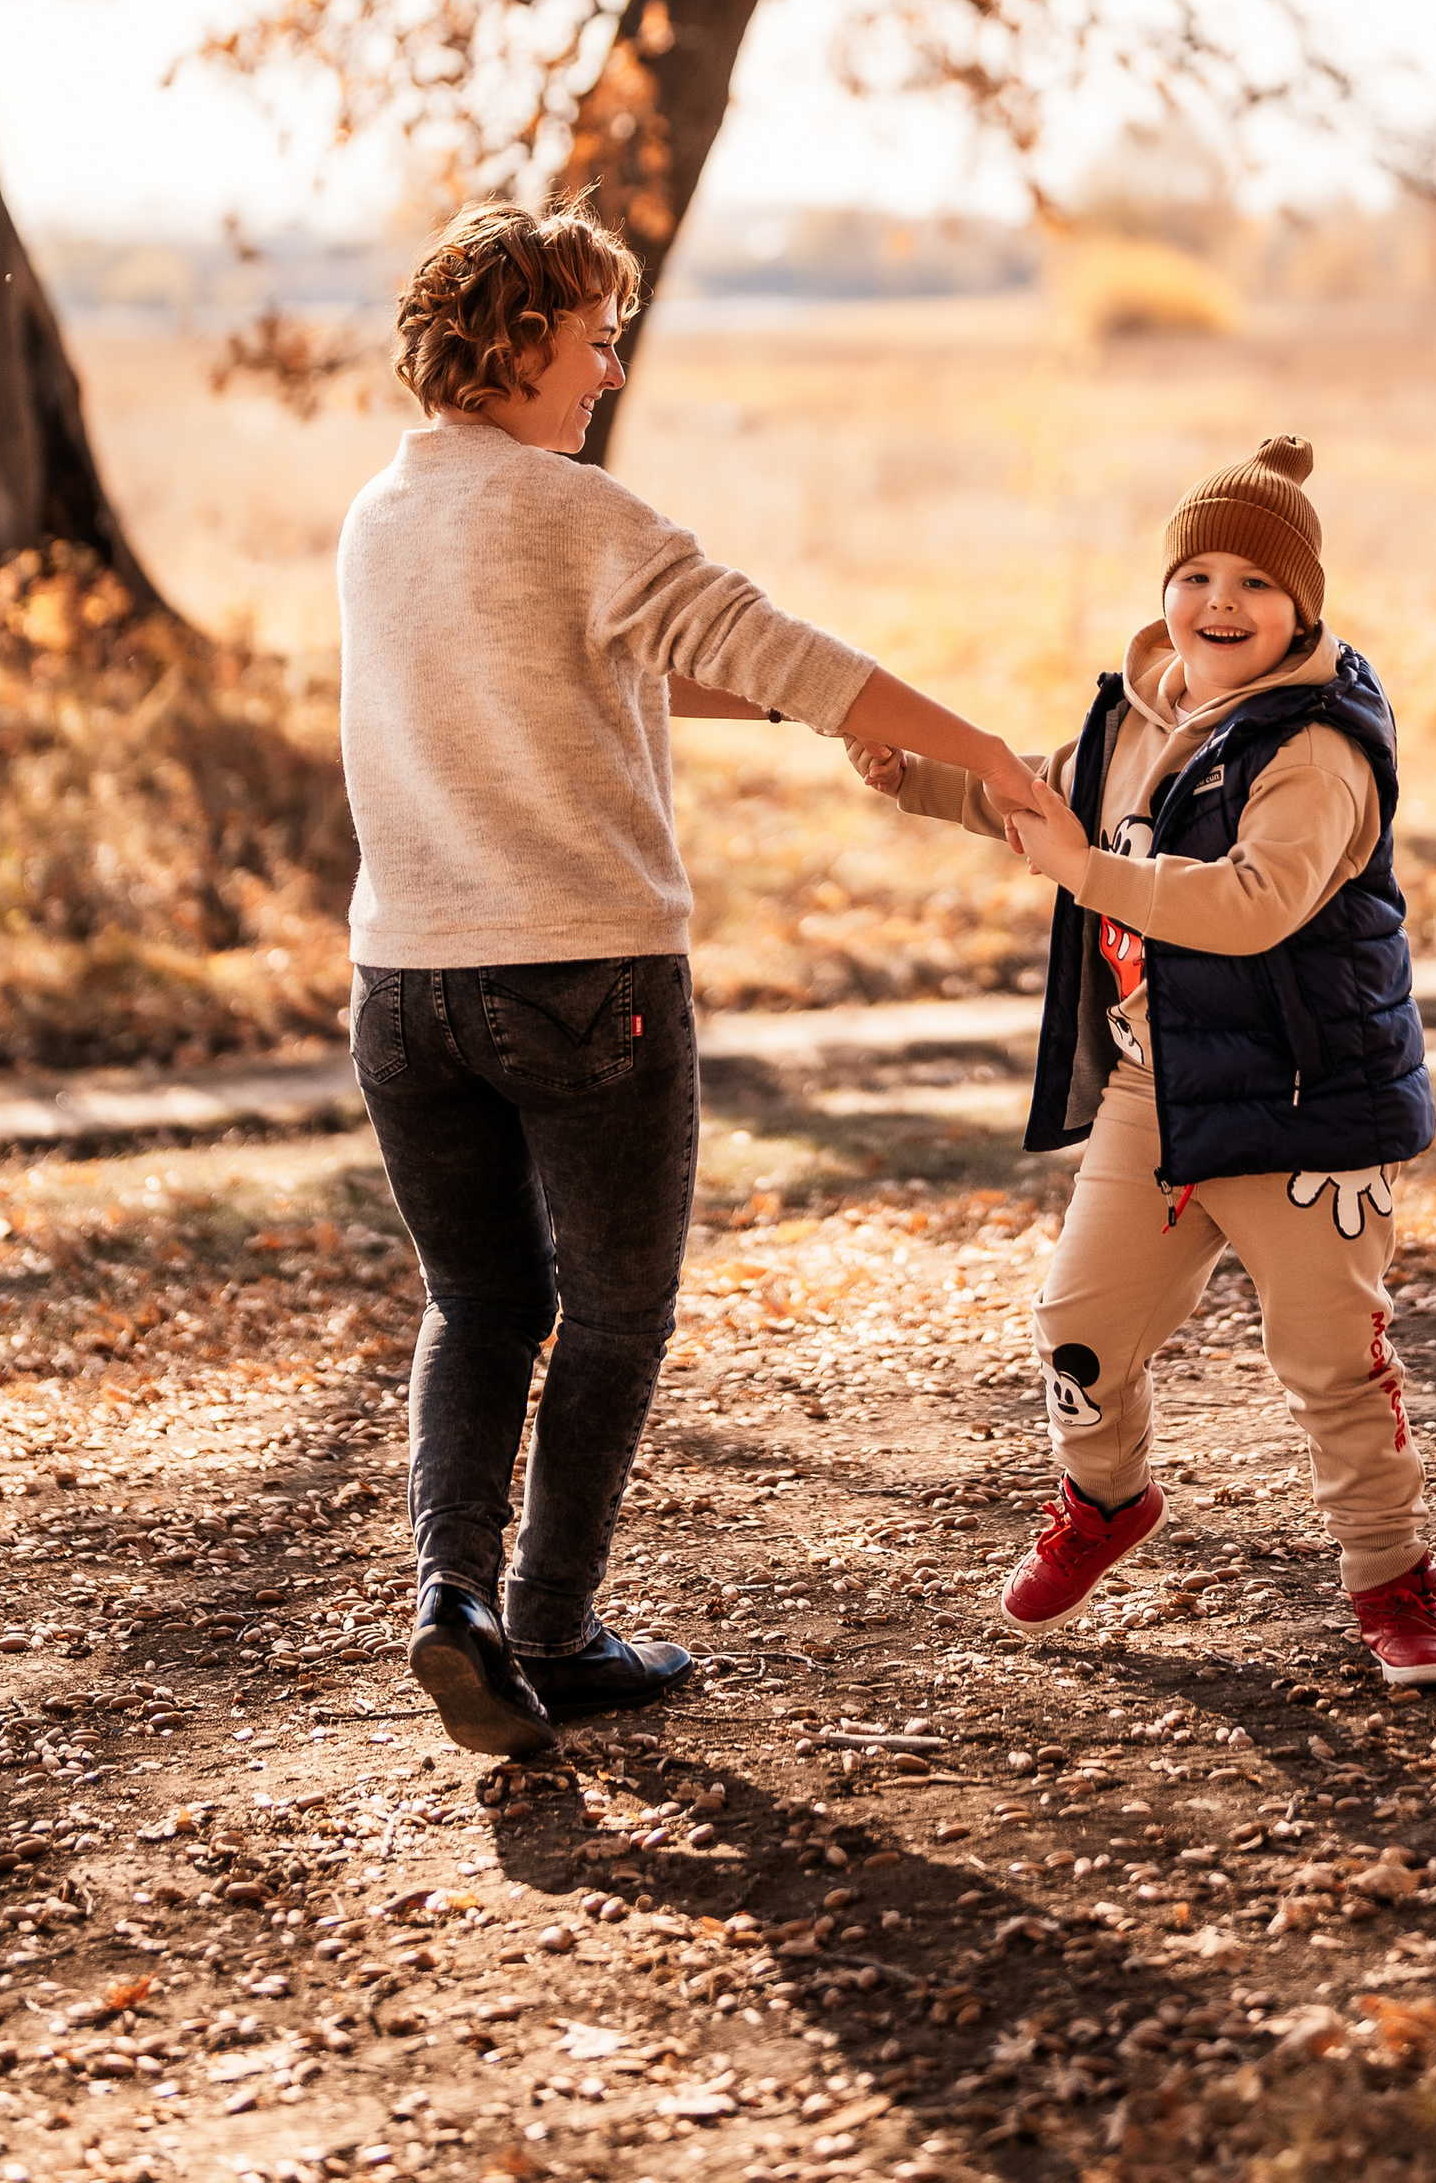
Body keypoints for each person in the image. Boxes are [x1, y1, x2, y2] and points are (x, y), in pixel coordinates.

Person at [340, 197, 1042, 1758]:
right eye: (593, 341)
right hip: (584, 976)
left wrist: (810, 724)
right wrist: (983, 754)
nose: (605, 372)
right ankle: (555, 1627)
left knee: (475, 1300)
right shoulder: (581, 512)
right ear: (519, 340)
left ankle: (450, 1600)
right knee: (613, 1313)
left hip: (403, 987)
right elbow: (777, 641)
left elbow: (600, 661)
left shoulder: (384, 514)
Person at [848, 431, 1436, 1690]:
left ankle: (1395, 1585)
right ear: (1164, 589)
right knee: (1078, 1329)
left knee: (1330, 1364)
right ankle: (1107, 1501)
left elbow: (1254, 902)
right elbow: (1040, 797)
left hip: (1308, 1102)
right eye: (1197, 575)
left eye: (1252, 582)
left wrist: (1085, 875)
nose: (1219, 603)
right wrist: (914, 775)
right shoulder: (1135, 718)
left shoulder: (1317, 745)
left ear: (1301, 606)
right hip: (1160, 1080)